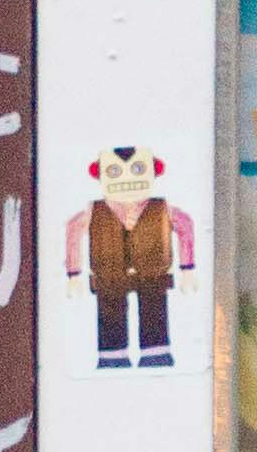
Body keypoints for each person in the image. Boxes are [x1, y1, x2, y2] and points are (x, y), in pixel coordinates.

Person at [66, 145, 190, 372]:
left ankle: (156, 353)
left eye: (137, 169)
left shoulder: (161, 208)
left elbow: (185, 226)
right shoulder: (94, 210)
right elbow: (73, 231)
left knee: (154, 309)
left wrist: (187, 269)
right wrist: (73, 274)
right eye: (115, 171)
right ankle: (112, 356)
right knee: (110, 312)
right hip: (109, 273)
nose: (126, 178)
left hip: (153, 272)